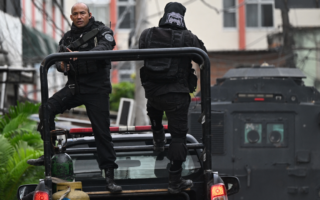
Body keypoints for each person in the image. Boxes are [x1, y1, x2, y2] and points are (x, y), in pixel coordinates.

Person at [27, 3, 122, 193]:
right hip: (74, 88)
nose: (79, 16)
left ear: (89, 14)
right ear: (71, 17)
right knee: (46, 109)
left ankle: (109, 178)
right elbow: (60, 64)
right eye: (75, 14)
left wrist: (82, 55)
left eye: (82, 13)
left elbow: (105, 47)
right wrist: (64, 65)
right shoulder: (67, 38)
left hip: (96, 89)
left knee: (102, 132)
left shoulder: (102, 31)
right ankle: (48, 155)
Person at [138, 2, 207, 194]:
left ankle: (158, 138)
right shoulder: (187, 37)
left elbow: (140, 50)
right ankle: (174, 179)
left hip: (153, 94)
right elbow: (203, 56)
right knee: (178, 137)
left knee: (154, 107)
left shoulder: (148, 33)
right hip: (176, 96)